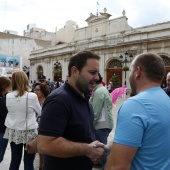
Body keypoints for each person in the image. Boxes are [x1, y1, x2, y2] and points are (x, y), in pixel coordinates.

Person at [37, 50, 104, 170]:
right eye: (92, 72)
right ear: (74, 71)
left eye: (97, 73)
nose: (97, 77)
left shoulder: (84, 97)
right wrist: (87, 150)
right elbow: (45, 144)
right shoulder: (59, 100)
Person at [104, 53, 170, 169]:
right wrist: (110, 146)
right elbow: (150, 142)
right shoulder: (167, 100)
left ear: (138, 72)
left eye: (130, 70)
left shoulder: (135, 105)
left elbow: (117, 166)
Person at [4, 71, 41, 170]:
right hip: (29, 131)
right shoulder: (32, 96)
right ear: (25, 80)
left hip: (14, 130)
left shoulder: (8, 96)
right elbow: (40, 112)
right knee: (29, 162)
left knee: (15, 160)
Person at [90, 73, 113, 169]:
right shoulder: (102, 89)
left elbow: (96, 112)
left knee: (102, 150)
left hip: (101, 125)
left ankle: (106, 167)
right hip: (105, 124)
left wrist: (90, 125)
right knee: (102, 148)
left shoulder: (99, 91)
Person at [34, 82, 50, 170]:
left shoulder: (48, 102)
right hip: (35, 128)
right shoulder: (33, 101)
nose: (35, 91)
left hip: (44, 128)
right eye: (35, 89)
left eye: (37, 90)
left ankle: (42, 167)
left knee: (43, 152)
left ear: (43, 91)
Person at [0, 76, 11, 163]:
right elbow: (6, 116)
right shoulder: (2, 101)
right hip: (1, 131)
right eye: (9, 86)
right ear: (4, 86)